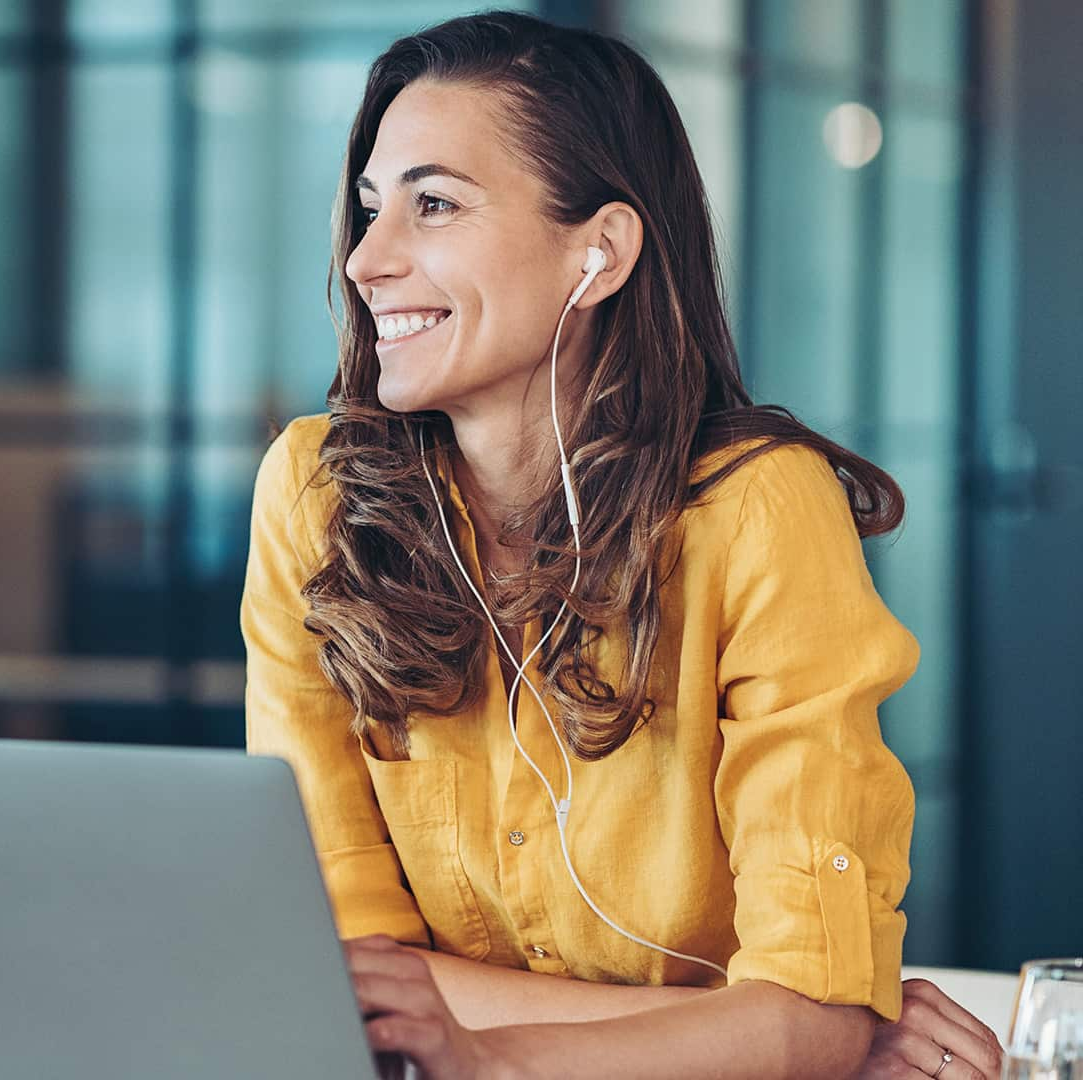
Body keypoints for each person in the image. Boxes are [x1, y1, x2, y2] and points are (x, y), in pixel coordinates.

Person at [240, 12, 1005, 1079]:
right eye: (370, 210)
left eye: (435, 204)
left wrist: (490, 1056)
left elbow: (809, 1010)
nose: (368, 261)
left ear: (598, 253)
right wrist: (757, 1034)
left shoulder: (757, 509)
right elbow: (339, 975)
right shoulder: (314, 494)